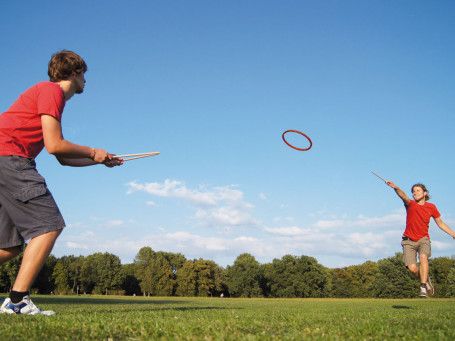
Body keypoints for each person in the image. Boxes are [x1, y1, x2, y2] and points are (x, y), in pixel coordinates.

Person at [0, 50, 123, 315]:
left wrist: (101, 160)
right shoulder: (51, 91)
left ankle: (16, 301)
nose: (86, 81)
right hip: (9, 157)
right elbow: (54, 145)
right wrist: (93, 151)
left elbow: (63, 158)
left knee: (8, 246)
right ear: (74, 72)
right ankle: (17, 301)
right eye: (84, 75)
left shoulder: (48, 96)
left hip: (4, 161)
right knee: (48, 226)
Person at [386, 180, 455, 297]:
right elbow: (403, 196)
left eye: (418, 191)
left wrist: (453, 234)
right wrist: (396, 187)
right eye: (413, 191)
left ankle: (423, 287)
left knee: (423, 257)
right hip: (408, 241)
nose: (415, 193)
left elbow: (440, 223)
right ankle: (426, 279)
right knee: (413, 269)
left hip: (423, 239)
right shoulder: (410, 204)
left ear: (425, 193)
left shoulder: (431, 207)